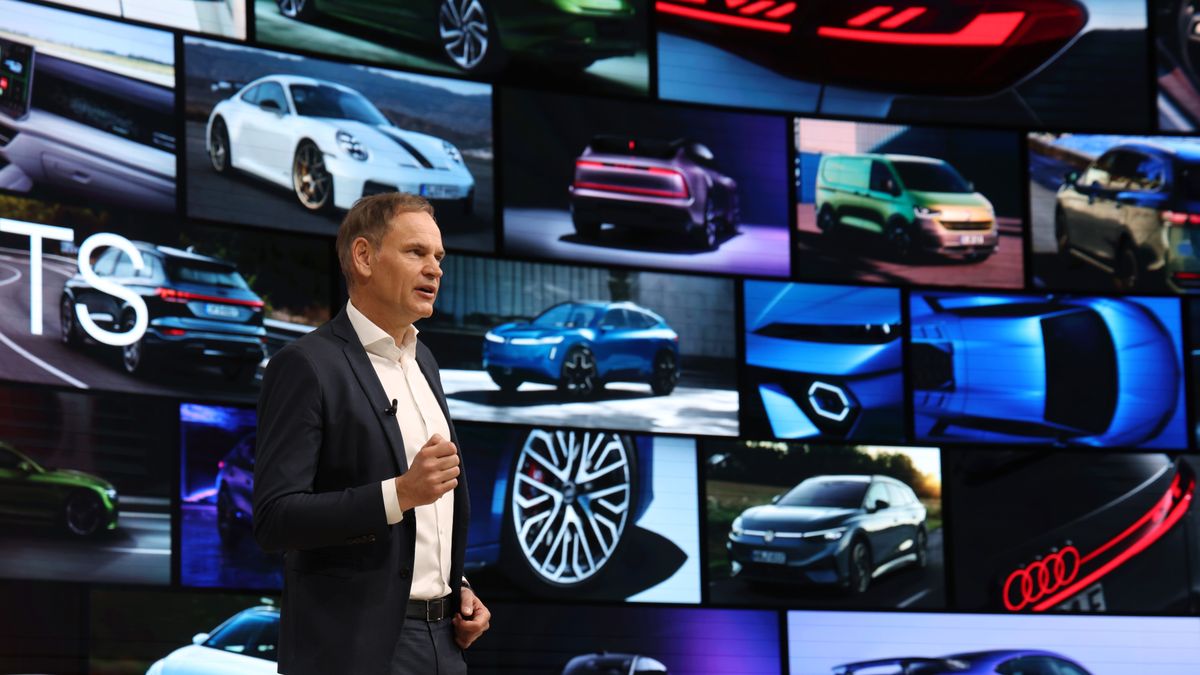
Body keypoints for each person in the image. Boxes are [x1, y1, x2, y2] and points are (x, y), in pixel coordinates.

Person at [254, 192, 491, 675]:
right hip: (352, 649)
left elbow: (428, 523)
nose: (435, 269)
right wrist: (399, 493)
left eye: (439, 257)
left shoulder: (425, 362)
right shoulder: (306, 365)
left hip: (444, 643)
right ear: (363, 256)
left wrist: (455, 585)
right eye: (416, 252)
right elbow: (276, 518)